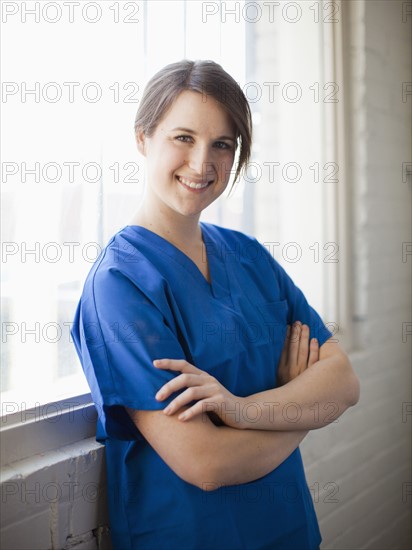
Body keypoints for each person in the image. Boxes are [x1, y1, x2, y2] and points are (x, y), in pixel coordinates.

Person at [71, 59, 360, 550]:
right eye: (183, 137)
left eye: (222, 145)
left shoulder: (248, 256)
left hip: (291, 531)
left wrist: (240, 410)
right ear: (143, 138)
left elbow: (344, 382)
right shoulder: (119, 287)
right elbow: (205, 463)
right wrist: (301, 408)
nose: (203, 163)